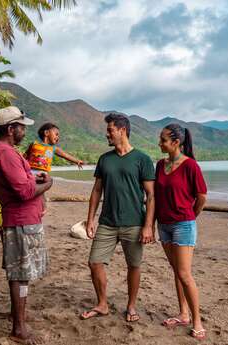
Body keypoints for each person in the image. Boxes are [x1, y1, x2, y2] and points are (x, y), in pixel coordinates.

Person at [80, 113, 155, 322]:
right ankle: (102, 304)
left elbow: (151, 195)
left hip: (134, 223)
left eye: (110, 130)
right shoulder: (105, 159)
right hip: (107, 222)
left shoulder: (142, 159)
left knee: (134, 265)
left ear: (122, 130)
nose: (107, 134)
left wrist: (148, 226)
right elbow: (96, 191)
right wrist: (91, 219)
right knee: (94, 262)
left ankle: (131, 306)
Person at [0, 106, 53, 344]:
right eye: (21, 126)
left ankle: (18, 316)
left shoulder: (6, 151)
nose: (24, 130)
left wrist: (33, 177)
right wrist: (48, 184)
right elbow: (24, 192)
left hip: (22, 220)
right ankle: (19, 327)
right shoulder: (6, 153)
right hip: (20, 221)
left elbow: (21, 182)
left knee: (20, 273)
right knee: (20, 274)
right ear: (10, 129)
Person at [155, 123, 207, 340]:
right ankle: (183, 314)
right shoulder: (160, 164)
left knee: (185, 274)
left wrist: (190, 217)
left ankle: (197, 321)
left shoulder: (190, 166)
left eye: (163, 140)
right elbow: (155, 196)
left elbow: (202, 196)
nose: (159, 143)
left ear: (176, 142)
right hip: (163, 225)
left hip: (183, 225)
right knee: (177, 271)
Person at [25, 122, 83, 215]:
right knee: (31, 190)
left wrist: (77, 161)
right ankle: (30, 206)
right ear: (47, 133)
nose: (58, 137)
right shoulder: (34, 144)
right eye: (56, 134)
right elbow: (25, 156)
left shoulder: (54, 149)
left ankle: (43, 209)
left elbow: (65, 155)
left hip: (43, 174)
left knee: (41, 191)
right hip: (30, 171)